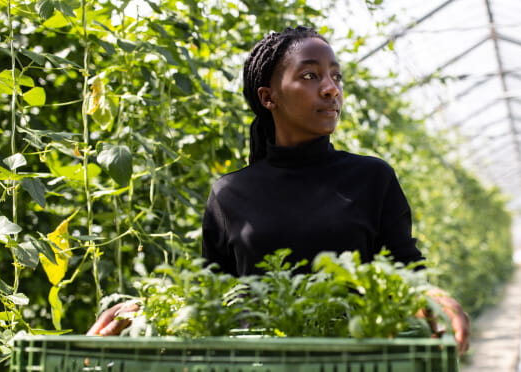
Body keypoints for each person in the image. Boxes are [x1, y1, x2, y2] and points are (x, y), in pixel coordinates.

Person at [88, 26, 470, 355]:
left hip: (356, 360)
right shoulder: (230, 193)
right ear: (268, 97)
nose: (330, 90)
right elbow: (211, 296)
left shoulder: (372, 178)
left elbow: (405, 273)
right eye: (310, 76)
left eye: (335, 77)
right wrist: (148, 308)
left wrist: (428, 296)